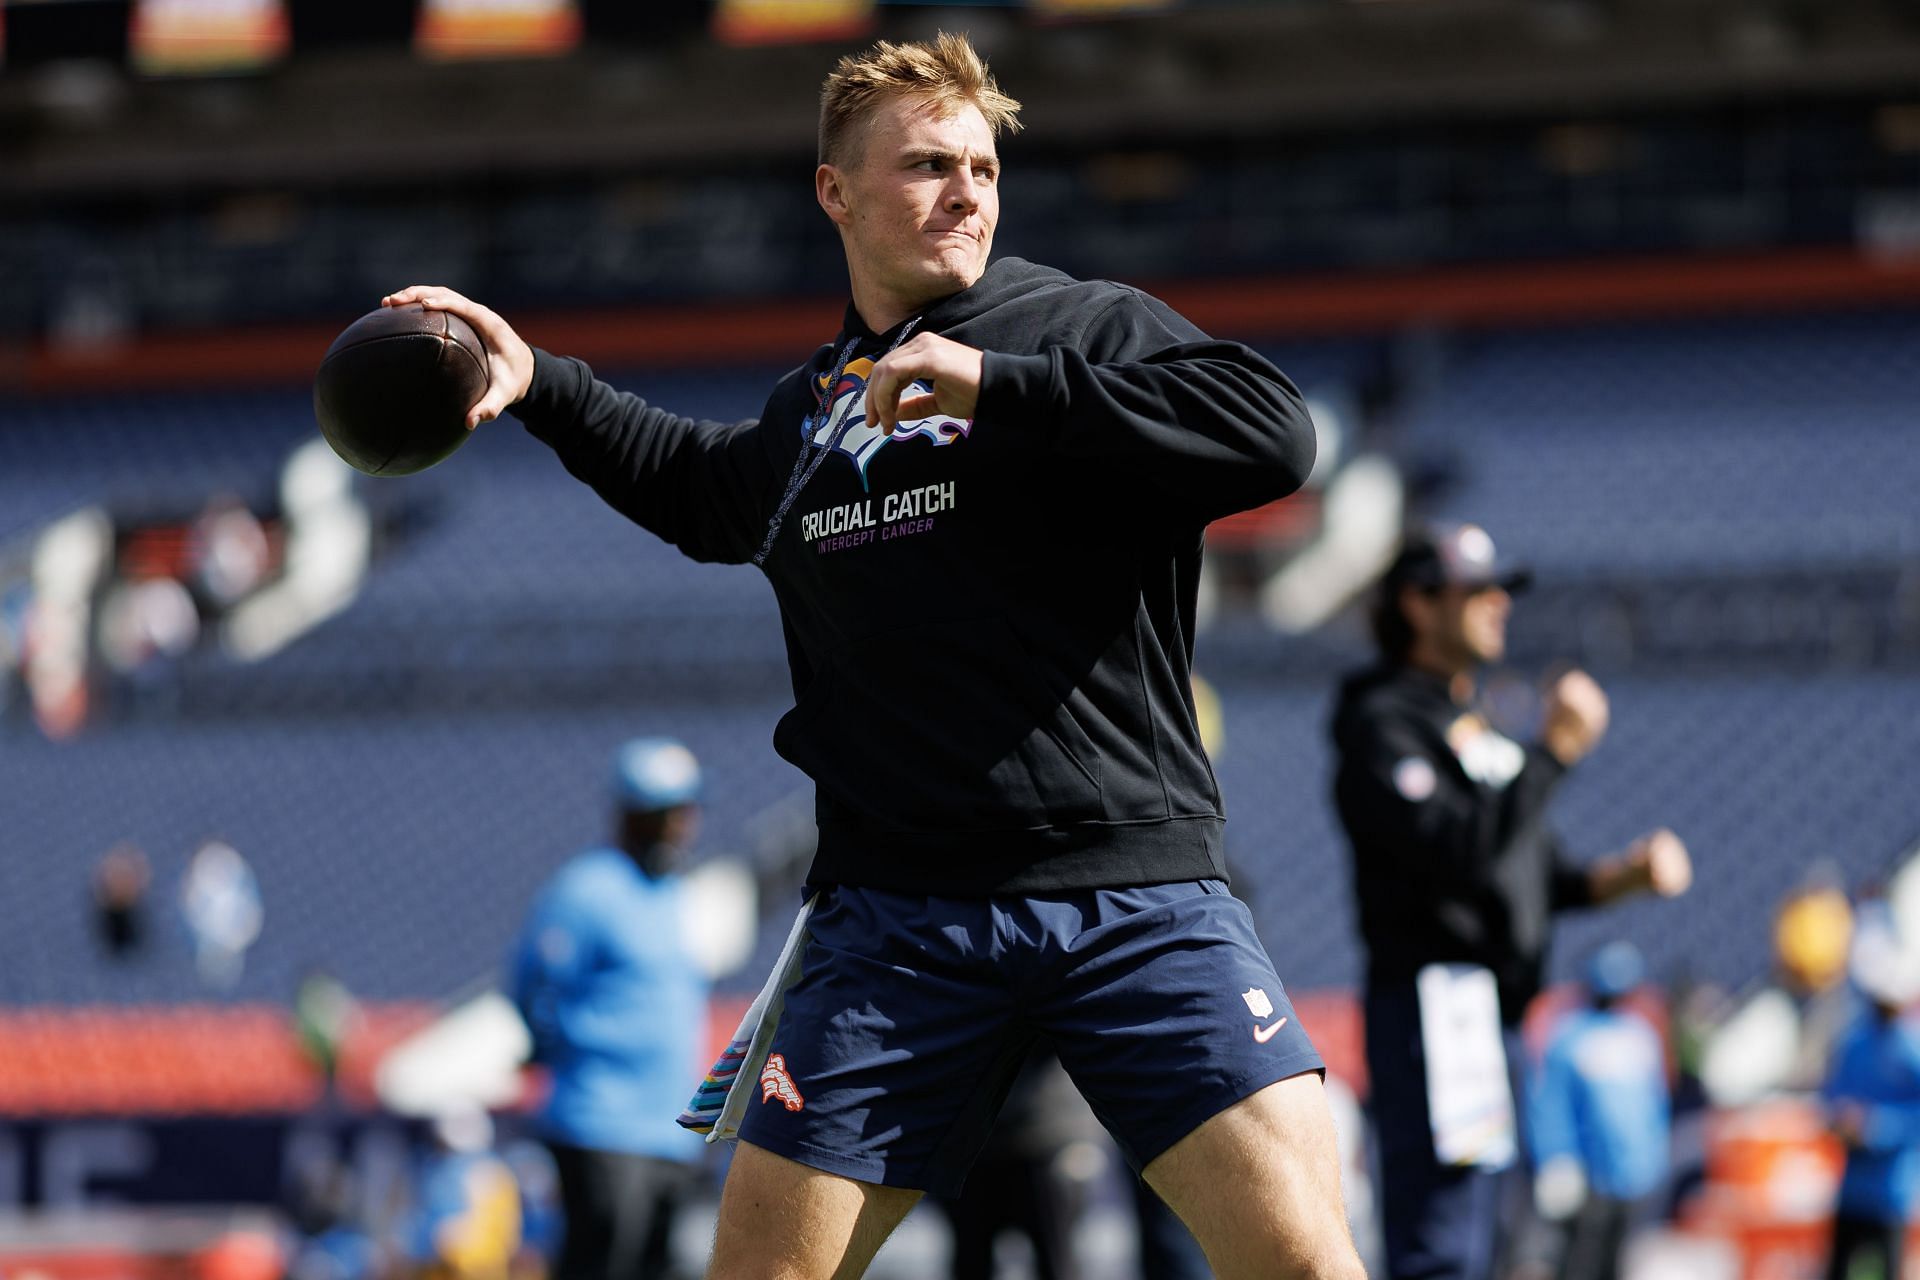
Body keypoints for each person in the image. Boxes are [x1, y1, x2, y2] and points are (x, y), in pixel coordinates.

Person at [390, 31, 1361, 1280]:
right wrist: (542, 386)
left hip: (1135, 896)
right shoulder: (815, 414)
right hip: (898, 926)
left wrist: (1000, 388)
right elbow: (703, 490)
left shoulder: (1084, 325)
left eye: (983, 165)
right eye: (926, 165)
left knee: (1306, 1264)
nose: (968, 190)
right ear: (834, 192)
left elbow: (1275, 433)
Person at [1328, 521, 1693, 1280]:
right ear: (1419, 605)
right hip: (1436, 1006)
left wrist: (1620, 877)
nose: (1499, 604)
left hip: (1486, 1012)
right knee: (1442, 1241)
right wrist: (1554, 750)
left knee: (1489, 1239)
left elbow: (1522, 871)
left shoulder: (1472, 720)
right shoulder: (1383, 720)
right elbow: (1453, 849)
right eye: (1477, 590)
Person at [507, 737, 710, 1280]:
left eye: (685, 812)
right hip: (601, 1124)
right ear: (632, 817)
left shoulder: (670, 895)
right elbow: (532, 988)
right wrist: (575, 1054)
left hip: (669, 1132)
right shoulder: (586, 890)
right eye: (663, 815)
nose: (679, 827)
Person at [1528, 941, 1671, 1280]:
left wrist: (1653, 1156)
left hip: (1632, 1177)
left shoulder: (1639, 1035)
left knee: (1619, 1263)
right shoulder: (1570, 1036)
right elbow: (1551, 1102)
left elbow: (1653, 1103)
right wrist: (1555, 1157)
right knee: (1581, 1263)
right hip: (1588, 1179)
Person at [1819, 907, 1920, 1280]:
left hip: (1892, 1189)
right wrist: (1840, 1119)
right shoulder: (1855, 1043)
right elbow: (1830, 1097)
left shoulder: (1912, 1048)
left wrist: (1876, 1127)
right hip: (1851, 1190)